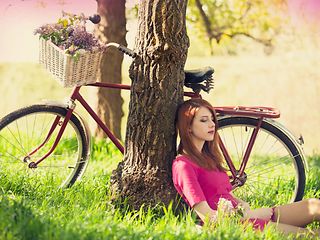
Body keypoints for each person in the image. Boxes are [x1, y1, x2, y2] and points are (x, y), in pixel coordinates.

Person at [172, 98, 320, 237]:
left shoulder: (209, 157)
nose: (212, 124)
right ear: (188, 127)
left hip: (247, 215)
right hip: (237, 225)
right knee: (311, 235)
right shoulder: (184, 165)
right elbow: (208, 218)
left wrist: (243, 204)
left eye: (212, 119)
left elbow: (224, 193)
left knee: (314, 205)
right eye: (204, 120)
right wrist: (250, 215)